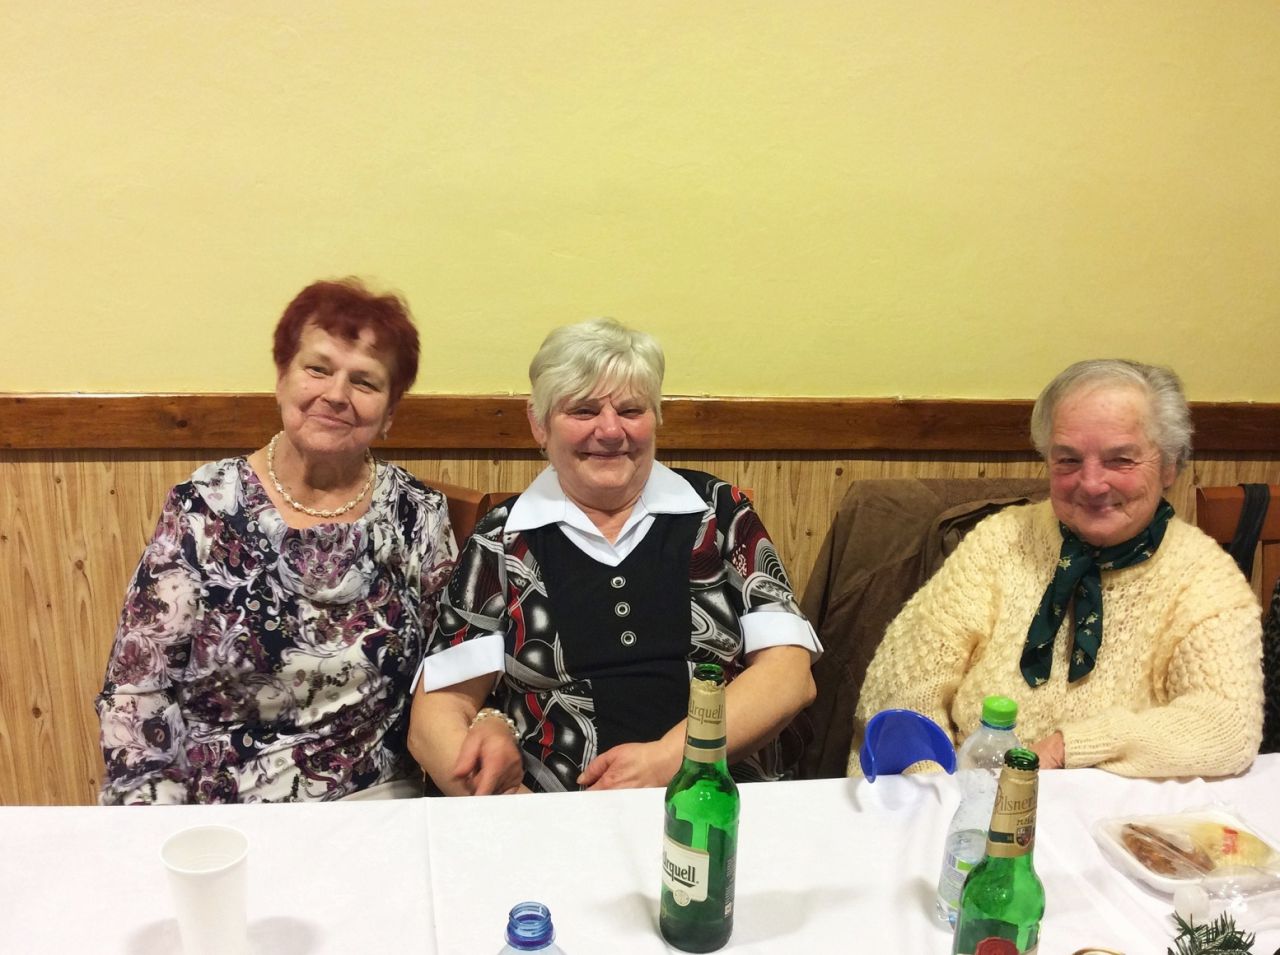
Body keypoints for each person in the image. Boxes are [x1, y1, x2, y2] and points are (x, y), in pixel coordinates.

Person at [408, 317, 819, 795]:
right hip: (555, 813)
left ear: (656, 418)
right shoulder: (501, 538)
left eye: (630, 410)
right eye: (583, 410)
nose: (610, 430)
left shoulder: (720, 513)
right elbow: (437, 713)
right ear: (539, 423)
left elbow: (790, 675)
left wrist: (667, 761)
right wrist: (510, 809)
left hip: (716, 801)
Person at [96, 278, 457, 803]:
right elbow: (137, 690)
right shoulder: (204, 507)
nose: (336, 395)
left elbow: (445, 677)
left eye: (364, 382)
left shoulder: (419, 516)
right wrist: (161, 819)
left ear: (390, 413)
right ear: (282, 379)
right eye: (318, 369)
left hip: (372, 805)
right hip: (220, 811)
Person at [852, 359, 1263, 778]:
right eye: (1068, 460)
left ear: (1169, 465)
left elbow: (1227, 727)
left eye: (1120, 459)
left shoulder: (1207, 579)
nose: (1091, 483)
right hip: (972, 789)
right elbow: (902, 686)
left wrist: (1070, 747)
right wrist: (937, 787)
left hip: (1116, 807)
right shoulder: (999, 542)